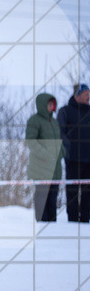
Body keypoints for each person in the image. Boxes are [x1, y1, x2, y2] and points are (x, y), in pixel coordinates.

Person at [25, 93, 64, 222]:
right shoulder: (34, 120)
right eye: (49, 104)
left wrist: (63, 152)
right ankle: (41, 224)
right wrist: (45, 155)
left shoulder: (54, 122)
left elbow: (59, 141)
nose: (51, 106)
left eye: (53, 104)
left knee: (53, 199)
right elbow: (31, 141)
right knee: (42, 197)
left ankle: (52, 227)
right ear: (42, 105)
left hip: (55, 168)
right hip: (41, 167)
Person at [57, 83, 90, 223]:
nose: (89, 96)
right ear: (78, 95)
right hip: (72, 159)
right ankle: (72, 220)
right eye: (86, 93)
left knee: (88, 192)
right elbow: (60, 133)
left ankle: (85, 219)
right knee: (72, 191)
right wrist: (67, 151)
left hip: (89, 160)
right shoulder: (65, 111)